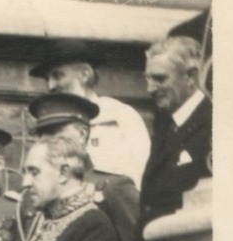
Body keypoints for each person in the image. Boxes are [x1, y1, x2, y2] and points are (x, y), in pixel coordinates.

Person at [27, 92, 141, 241]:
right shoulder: (34, 192)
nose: (46, 142)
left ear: (82, 134)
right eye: (41, 135)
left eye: (54, 133)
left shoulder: (112, 188)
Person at [29, 37, 152, 187]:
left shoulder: (120, 116)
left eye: (57, 75)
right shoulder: (48, 124)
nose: (51, 86)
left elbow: (144, 176)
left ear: (84, 74)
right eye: (47, 79)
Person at [136, 34, 213, 241]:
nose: (150, 88)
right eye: (148, 78)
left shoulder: (215, 123)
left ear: (190, 76)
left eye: (159, 79)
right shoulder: (166, 125)